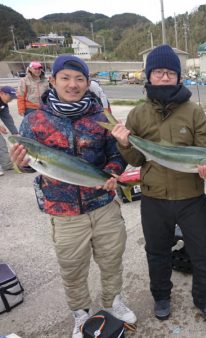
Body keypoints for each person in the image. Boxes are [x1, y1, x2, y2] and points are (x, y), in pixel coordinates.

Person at [9, 55, 136, 338]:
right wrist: (18, 161)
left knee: (112, 257)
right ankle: (81, 314)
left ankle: (113, 302)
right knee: (72, 266)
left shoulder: (101, 117)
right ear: (52, 80)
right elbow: (28, 165)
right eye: (65, 77)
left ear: (88, 83)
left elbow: (116, 154)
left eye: (80, 79)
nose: (73, 84)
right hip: (63, 210)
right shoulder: (35, 120)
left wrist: (113, 173)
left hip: (103, 205)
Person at [111, 44, 206, 325]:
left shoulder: (194, 112)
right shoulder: (138, 114)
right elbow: (136, 158)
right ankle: (161, 296)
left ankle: (204, 299)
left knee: (205, 253)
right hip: (154, 198)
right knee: (157, 252)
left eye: (169, 72)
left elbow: (204, 150)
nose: (163, 77)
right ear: (149, 76)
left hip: (191, 198)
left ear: (178, 77)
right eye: (158, 72)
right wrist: (124, 144)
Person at [0, 86, 19, 176]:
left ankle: (6, 165)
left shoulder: (3, 104)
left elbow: (7, 118)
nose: (11, 99)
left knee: (2, 143)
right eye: (10, 97)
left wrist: (15, 132)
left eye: (12, 97)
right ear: (2, 93)